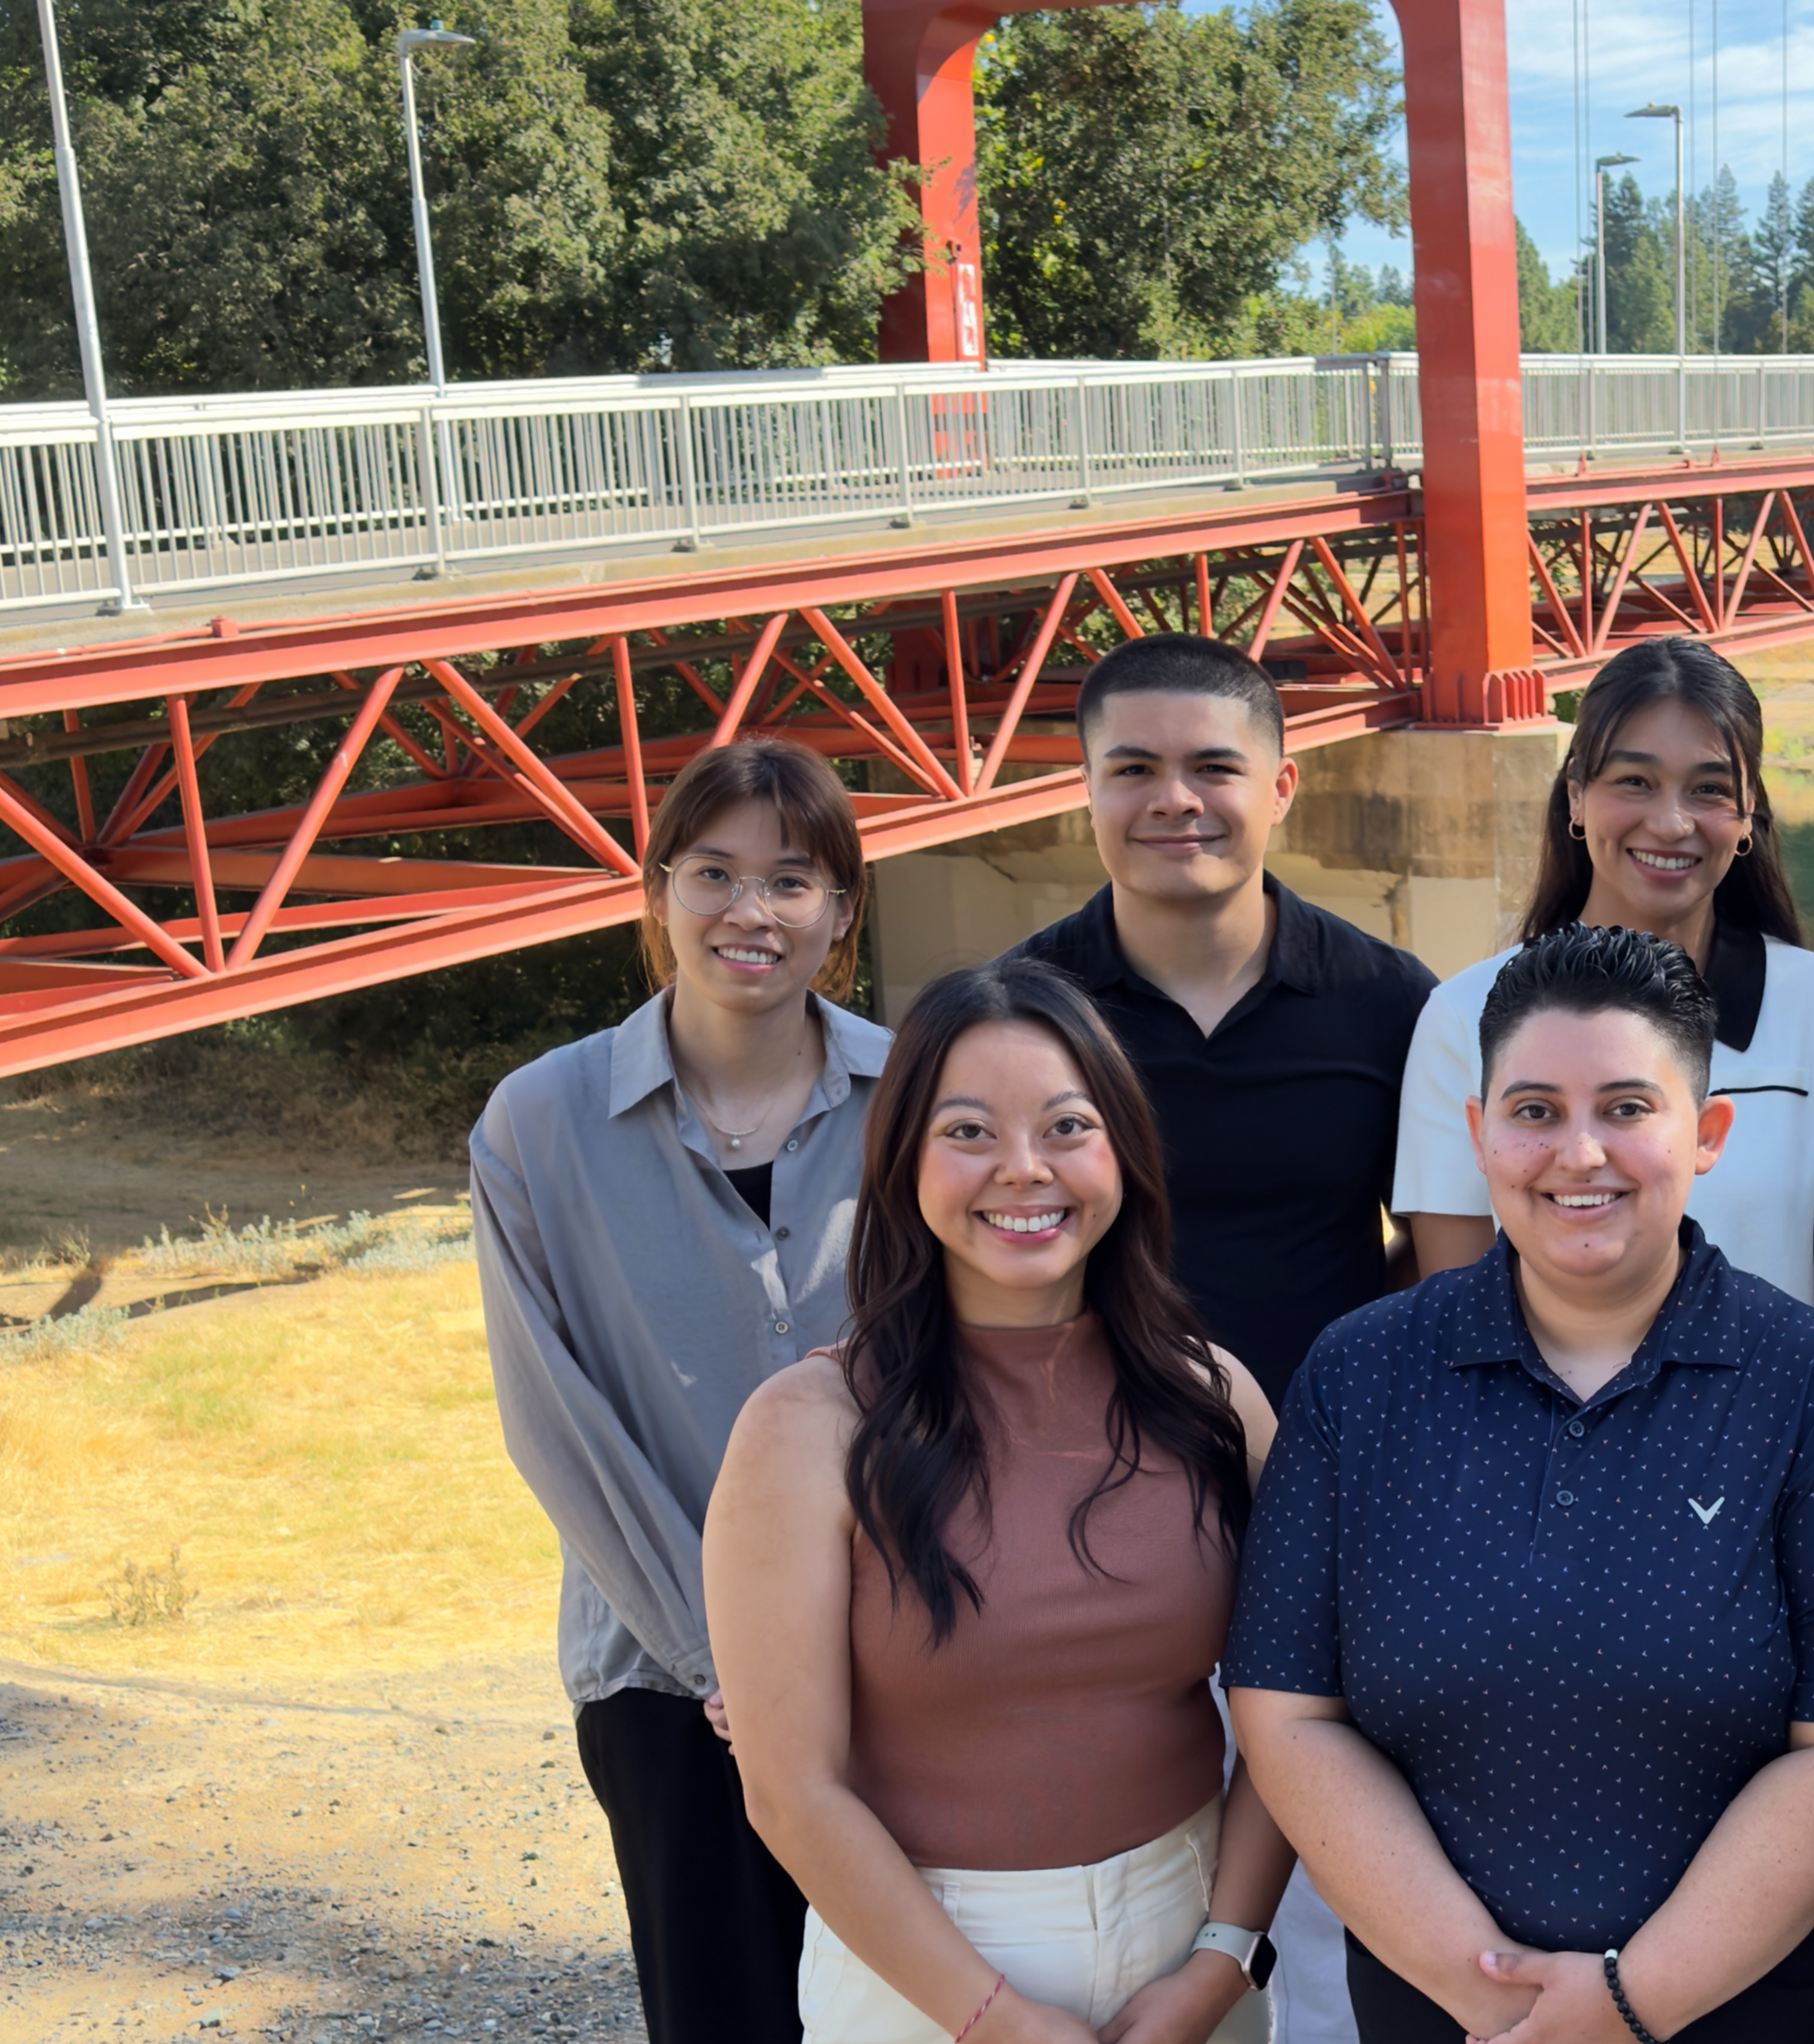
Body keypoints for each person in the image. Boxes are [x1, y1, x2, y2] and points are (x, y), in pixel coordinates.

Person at [1231, 925, 1814, 2044]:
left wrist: (1625, 2003)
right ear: (1477, 1133)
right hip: (1446, 2016)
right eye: (1533, 1112)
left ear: (1707, 1134)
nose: (1579, 1154)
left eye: (1625, 1108)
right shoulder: (1359, 1378)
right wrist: (1491, 1995)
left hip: (1750, 2013)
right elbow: (1288, 1711)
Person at [704, 958, 1295, 2044]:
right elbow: (793, 1792)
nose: (1024, 1171)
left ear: (1122, 1150)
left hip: (1191, 1934)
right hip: (921, 1967)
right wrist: (996, 2020)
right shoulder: (808, 1426)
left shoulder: (1215, 1398)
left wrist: (1221, 1965)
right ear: (903, 1165)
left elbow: (1294, 1716)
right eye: (968, 1132)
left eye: (1067, 1127)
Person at [1006, 632, 1435, 2043]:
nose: (1173, 800)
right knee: (1118, 1862)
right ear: (1085, 794)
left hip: (1328, 1508)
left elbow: (1437, 1268)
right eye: (1132, 769)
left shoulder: (1392, 1005)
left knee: (1320, 1888)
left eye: (1211, 767)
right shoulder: (1027, 1011)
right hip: (1084, 1499)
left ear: (1283, 786)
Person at [474, 737, 888, 2043]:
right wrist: (727, 1658)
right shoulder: (540, 1121)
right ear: (655, 892)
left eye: (791, 879)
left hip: (903, 1664)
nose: (748, 912)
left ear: (842, 913)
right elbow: (557, 1423)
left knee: (918, 2006)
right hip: (664, 1682)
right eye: (712, 872)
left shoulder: (926, 1088)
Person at [1396, 638, 1814, 1344]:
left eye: (1710, 789)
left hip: (1775, 1443)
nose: (1670, 822)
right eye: (1634, 781)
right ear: (1575, 796)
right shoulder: (1461, 1017)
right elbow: (1459, 1316)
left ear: (1748, 814)